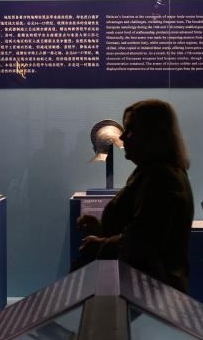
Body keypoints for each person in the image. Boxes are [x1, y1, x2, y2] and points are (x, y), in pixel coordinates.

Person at [76, 99, 194, 292]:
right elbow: (142, 229)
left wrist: (101, 245)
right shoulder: (153, 173)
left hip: (152, 291)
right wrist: (101, 229)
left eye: (131, 129)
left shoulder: (160, 177)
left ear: (152, 135)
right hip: (147, 288)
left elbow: (144, 241)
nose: (122, 137)